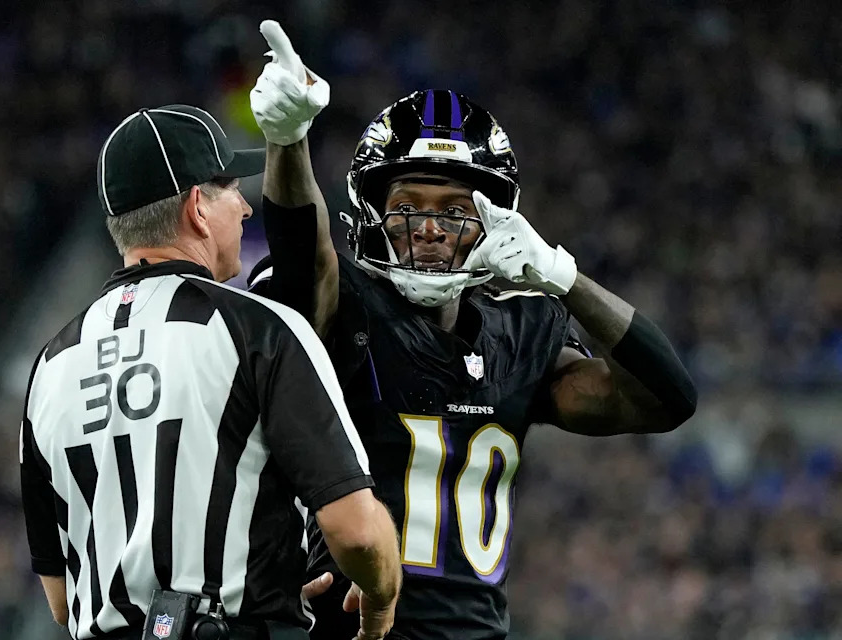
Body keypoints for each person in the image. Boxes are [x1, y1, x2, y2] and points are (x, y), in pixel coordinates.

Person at [248, 24, 698, 640]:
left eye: (455, 210)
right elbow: (304, 260)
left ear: (494, 219)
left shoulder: (524, 328)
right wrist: (288, 140)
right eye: (409, 205)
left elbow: (668, 399)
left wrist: (566, 279)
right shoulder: (346, 308)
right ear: (374, 214)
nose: (430, 228)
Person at [19, 102, 402, 640]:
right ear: (198, 207)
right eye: (232, 191)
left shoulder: (49, 365)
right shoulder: (259, 329)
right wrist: (383, 593)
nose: (246, 209)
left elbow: (61, 598)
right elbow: (357, 532)